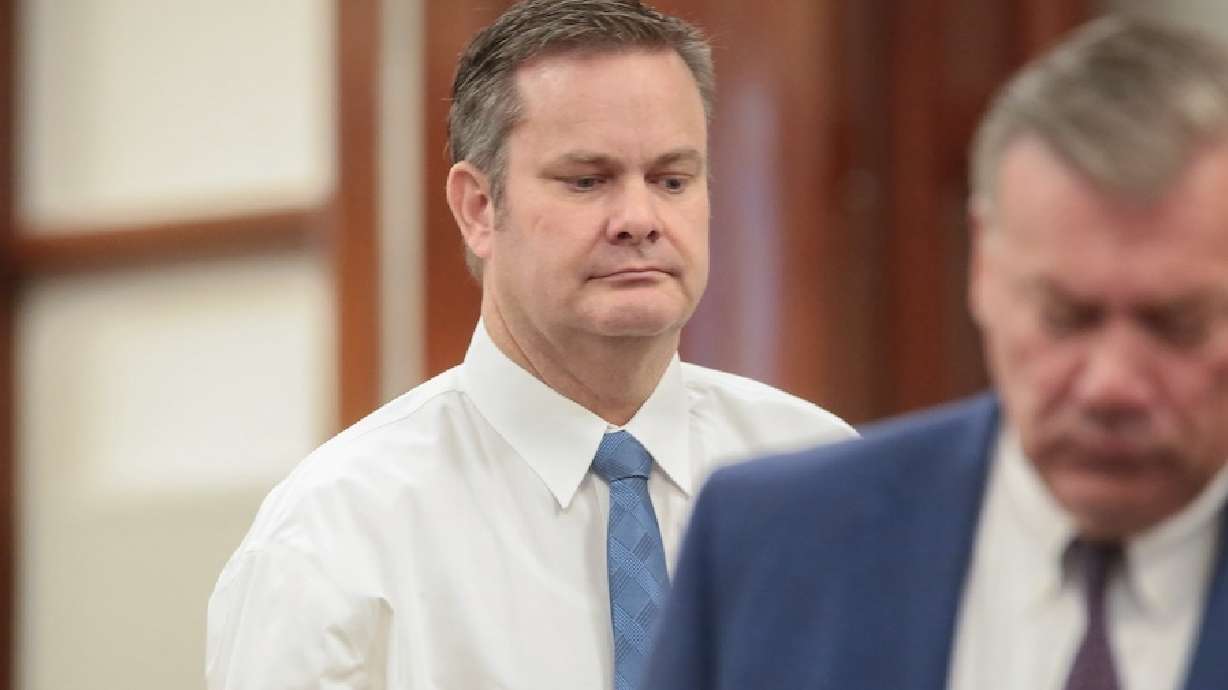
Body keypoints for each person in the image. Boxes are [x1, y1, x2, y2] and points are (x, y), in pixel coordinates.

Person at [205, 1, 855, 689]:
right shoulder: (336, 531)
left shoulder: (821, 474)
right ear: (478, 208)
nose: (640, 219)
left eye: (672, 179)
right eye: (587, 181)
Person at [641, 14, 1228, 690]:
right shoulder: (771, 545)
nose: (1111, 384)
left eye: (1176, 324)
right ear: (983, 264)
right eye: (1065, 318)